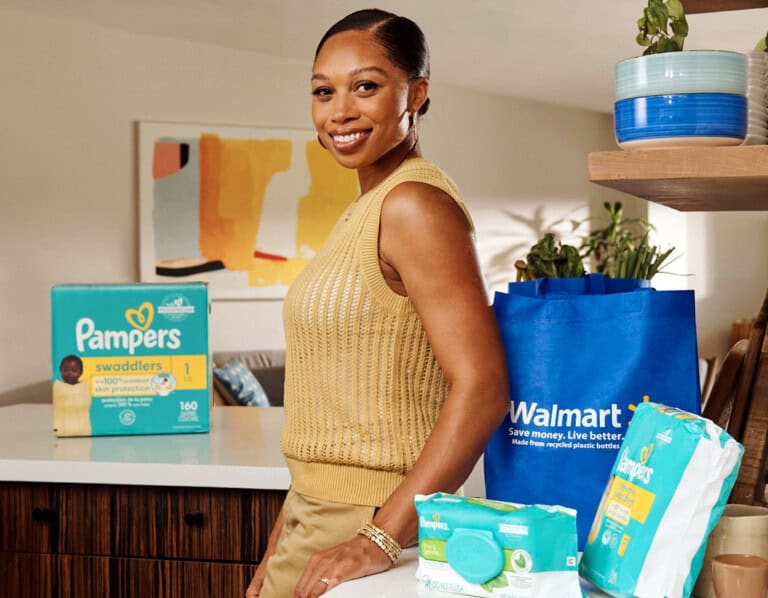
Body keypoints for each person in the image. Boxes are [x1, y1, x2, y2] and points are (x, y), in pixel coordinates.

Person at [246, 8, 509, 598]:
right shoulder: (365, 210)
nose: (339, 110)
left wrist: (378, 538)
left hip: (372, 521)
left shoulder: (414, 205)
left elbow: (483, 387)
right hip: (314, 520)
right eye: (323, 91)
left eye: (365, 86)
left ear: (415, 94)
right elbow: (332, 413)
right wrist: (281, 539)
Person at [52, 354, 92, 436]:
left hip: (83, 431)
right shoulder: (57, 386)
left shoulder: (84, 387)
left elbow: (87, 403)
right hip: (62, 430)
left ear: (81, 372)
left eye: (74, 370)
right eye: (66, 370)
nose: (70, 373)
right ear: (60, 371)